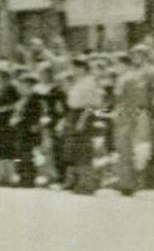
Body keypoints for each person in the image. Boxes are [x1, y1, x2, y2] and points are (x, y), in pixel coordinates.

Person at [110, 53, 150, 196]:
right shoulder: (133, 78)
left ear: (123, 64)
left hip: (125, 117)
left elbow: (121, 98)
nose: (116, 67)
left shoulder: (126, 79)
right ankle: (127, 182)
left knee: (124, 150)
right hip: (129, 116)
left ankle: (126, 184)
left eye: (117, 64)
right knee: (125, 150)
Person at [63, 57, 103, 194]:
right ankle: (80, 182)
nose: (73, 70)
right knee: (76, 150)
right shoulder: (78, 82)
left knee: (84, 150)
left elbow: (91, 105)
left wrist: (82, 120)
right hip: (74, 114)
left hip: (83, 115)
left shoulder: (89, 82)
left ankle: (88, 183)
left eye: (75, 67)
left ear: (82, 68)